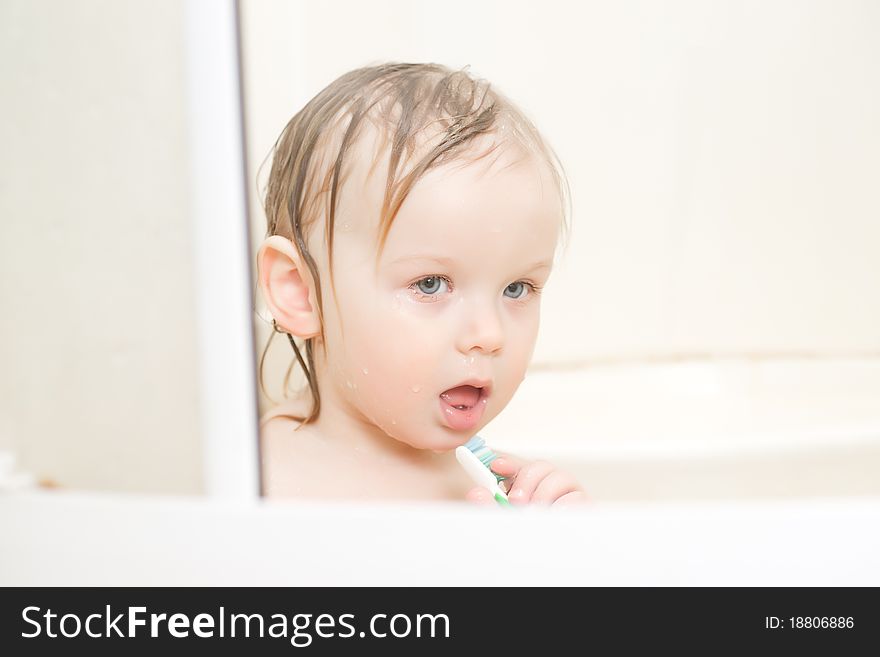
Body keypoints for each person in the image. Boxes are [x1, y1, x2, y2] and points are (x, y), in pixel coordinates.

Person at [256, 62, 586, 506]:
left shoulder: (497, 488)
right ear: (300, 291)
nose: (489, 335)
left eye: (516, 288)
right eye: (431, 284)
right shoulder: (261, 484)